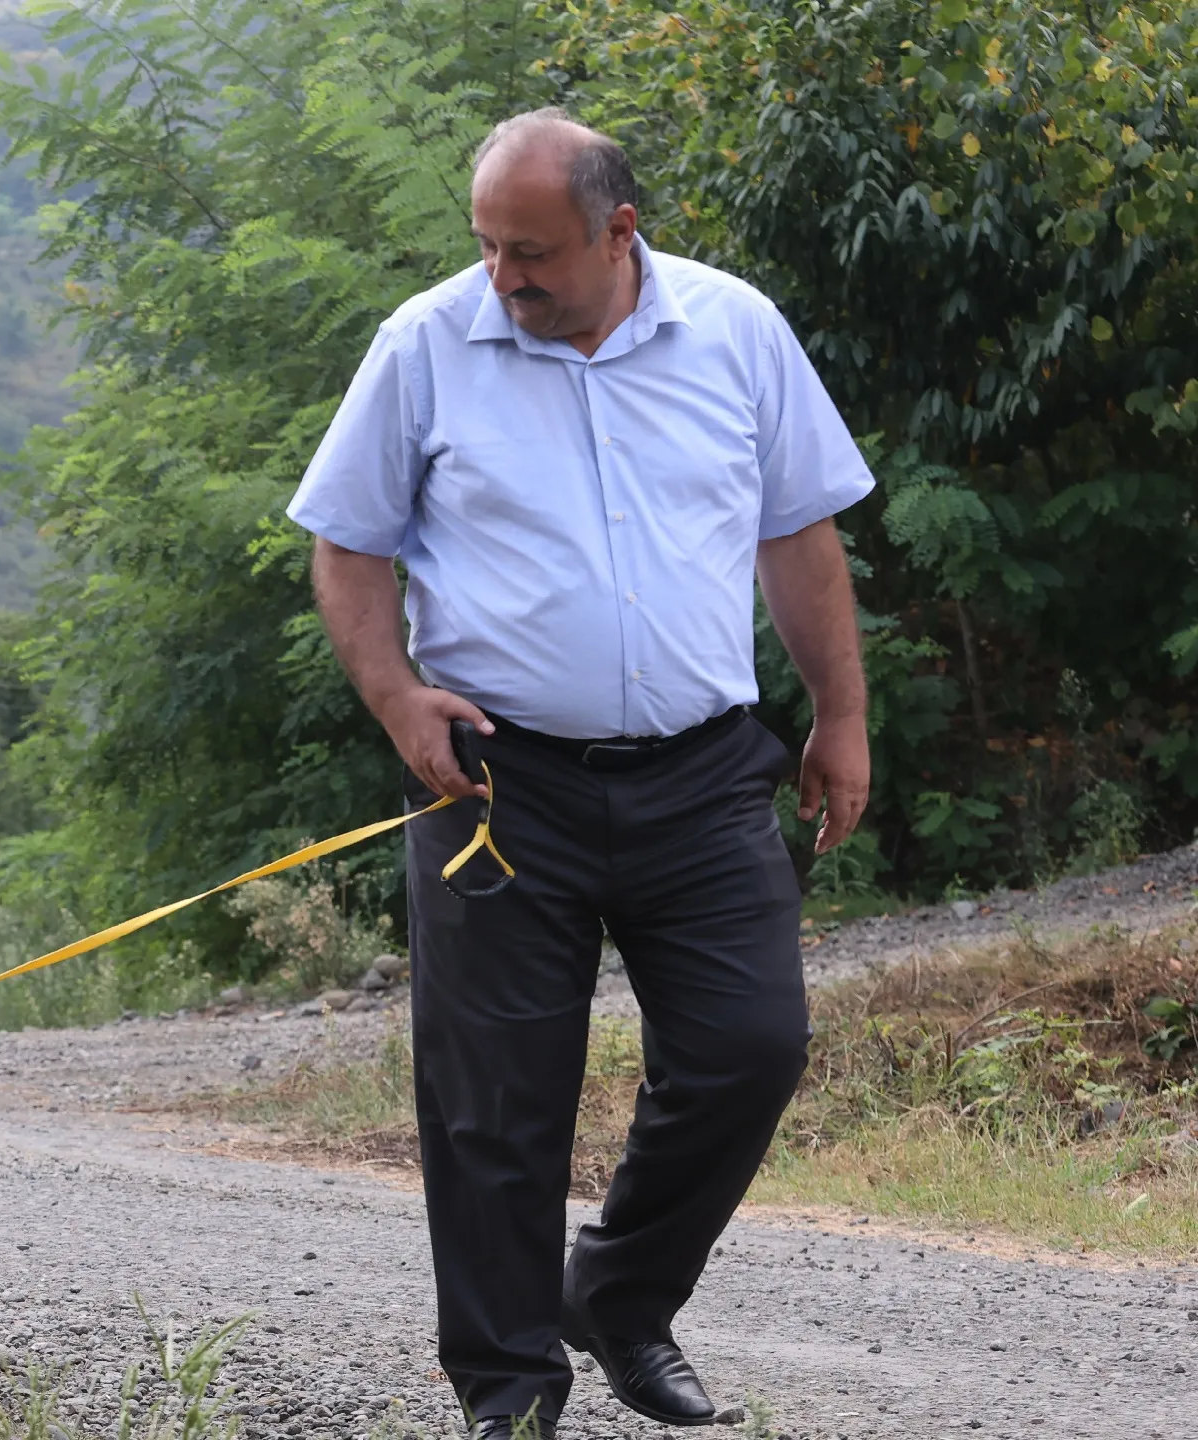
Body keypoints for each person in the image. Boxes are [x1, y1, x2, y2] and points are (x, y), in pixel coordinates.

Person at [286, 108, 873, 1436]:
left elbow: (798, 535)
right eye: (488, 246)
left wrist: (842, 717)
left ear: (620, 232)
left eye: (532, 252)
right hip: (496, 785)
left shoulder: (737, 331)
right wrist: (396, 699)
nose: (503, 276)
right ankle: (509, 1392)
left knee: (750, 1050)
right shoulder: (424, 346)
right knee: (496, 1104)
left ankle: (616, 1293)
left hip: (705, 775)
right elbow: (347, 542)